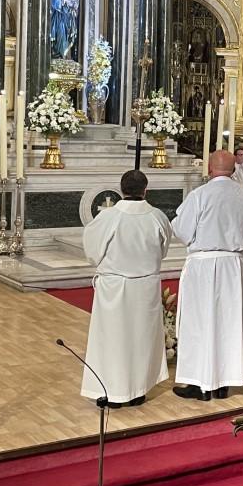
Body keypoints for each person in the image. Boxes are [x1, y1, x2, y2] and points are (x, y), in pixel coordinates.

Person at [80, 170, 172, 407]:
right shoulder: (158, 217)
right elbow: (163, 251)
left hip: (115, 288)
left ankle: (113, 392)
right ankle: (138, 390)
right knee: (141, 338)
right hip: (146, 286)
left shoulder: (108, 218)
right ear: (145, 190)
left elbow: (92, 253)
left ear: (121, 190)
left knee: (113, 339)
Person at [171, 150, 243, 400]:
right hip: (233, 265)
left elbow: (183, 230)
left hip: (204, 266)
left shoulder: (200, 195)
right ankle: (223, 382)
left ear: (209, 168)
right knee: (228, 322)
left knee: (200, 322)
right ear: (233, 169)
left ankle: (200, 383)